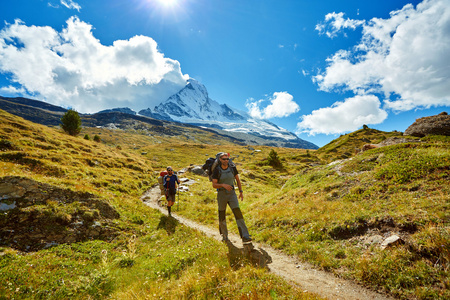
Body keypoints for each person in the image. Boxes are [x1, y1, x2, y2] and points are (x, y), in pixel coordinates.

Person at [211, 152, 252, 244]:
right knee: (222, 214)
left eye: (227, 158)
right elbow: (214, 184)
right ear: (220, 160)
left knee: (238, 213)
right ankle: (224, 236)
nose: (226, 160)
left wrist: (241, 192)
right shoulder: (217, 170)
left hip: (232, 194)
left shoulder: (232, 168)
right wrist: (222, 185)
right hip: (221, 194)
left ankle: (245, 236)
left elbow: (237, 180)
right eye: (224, 159)